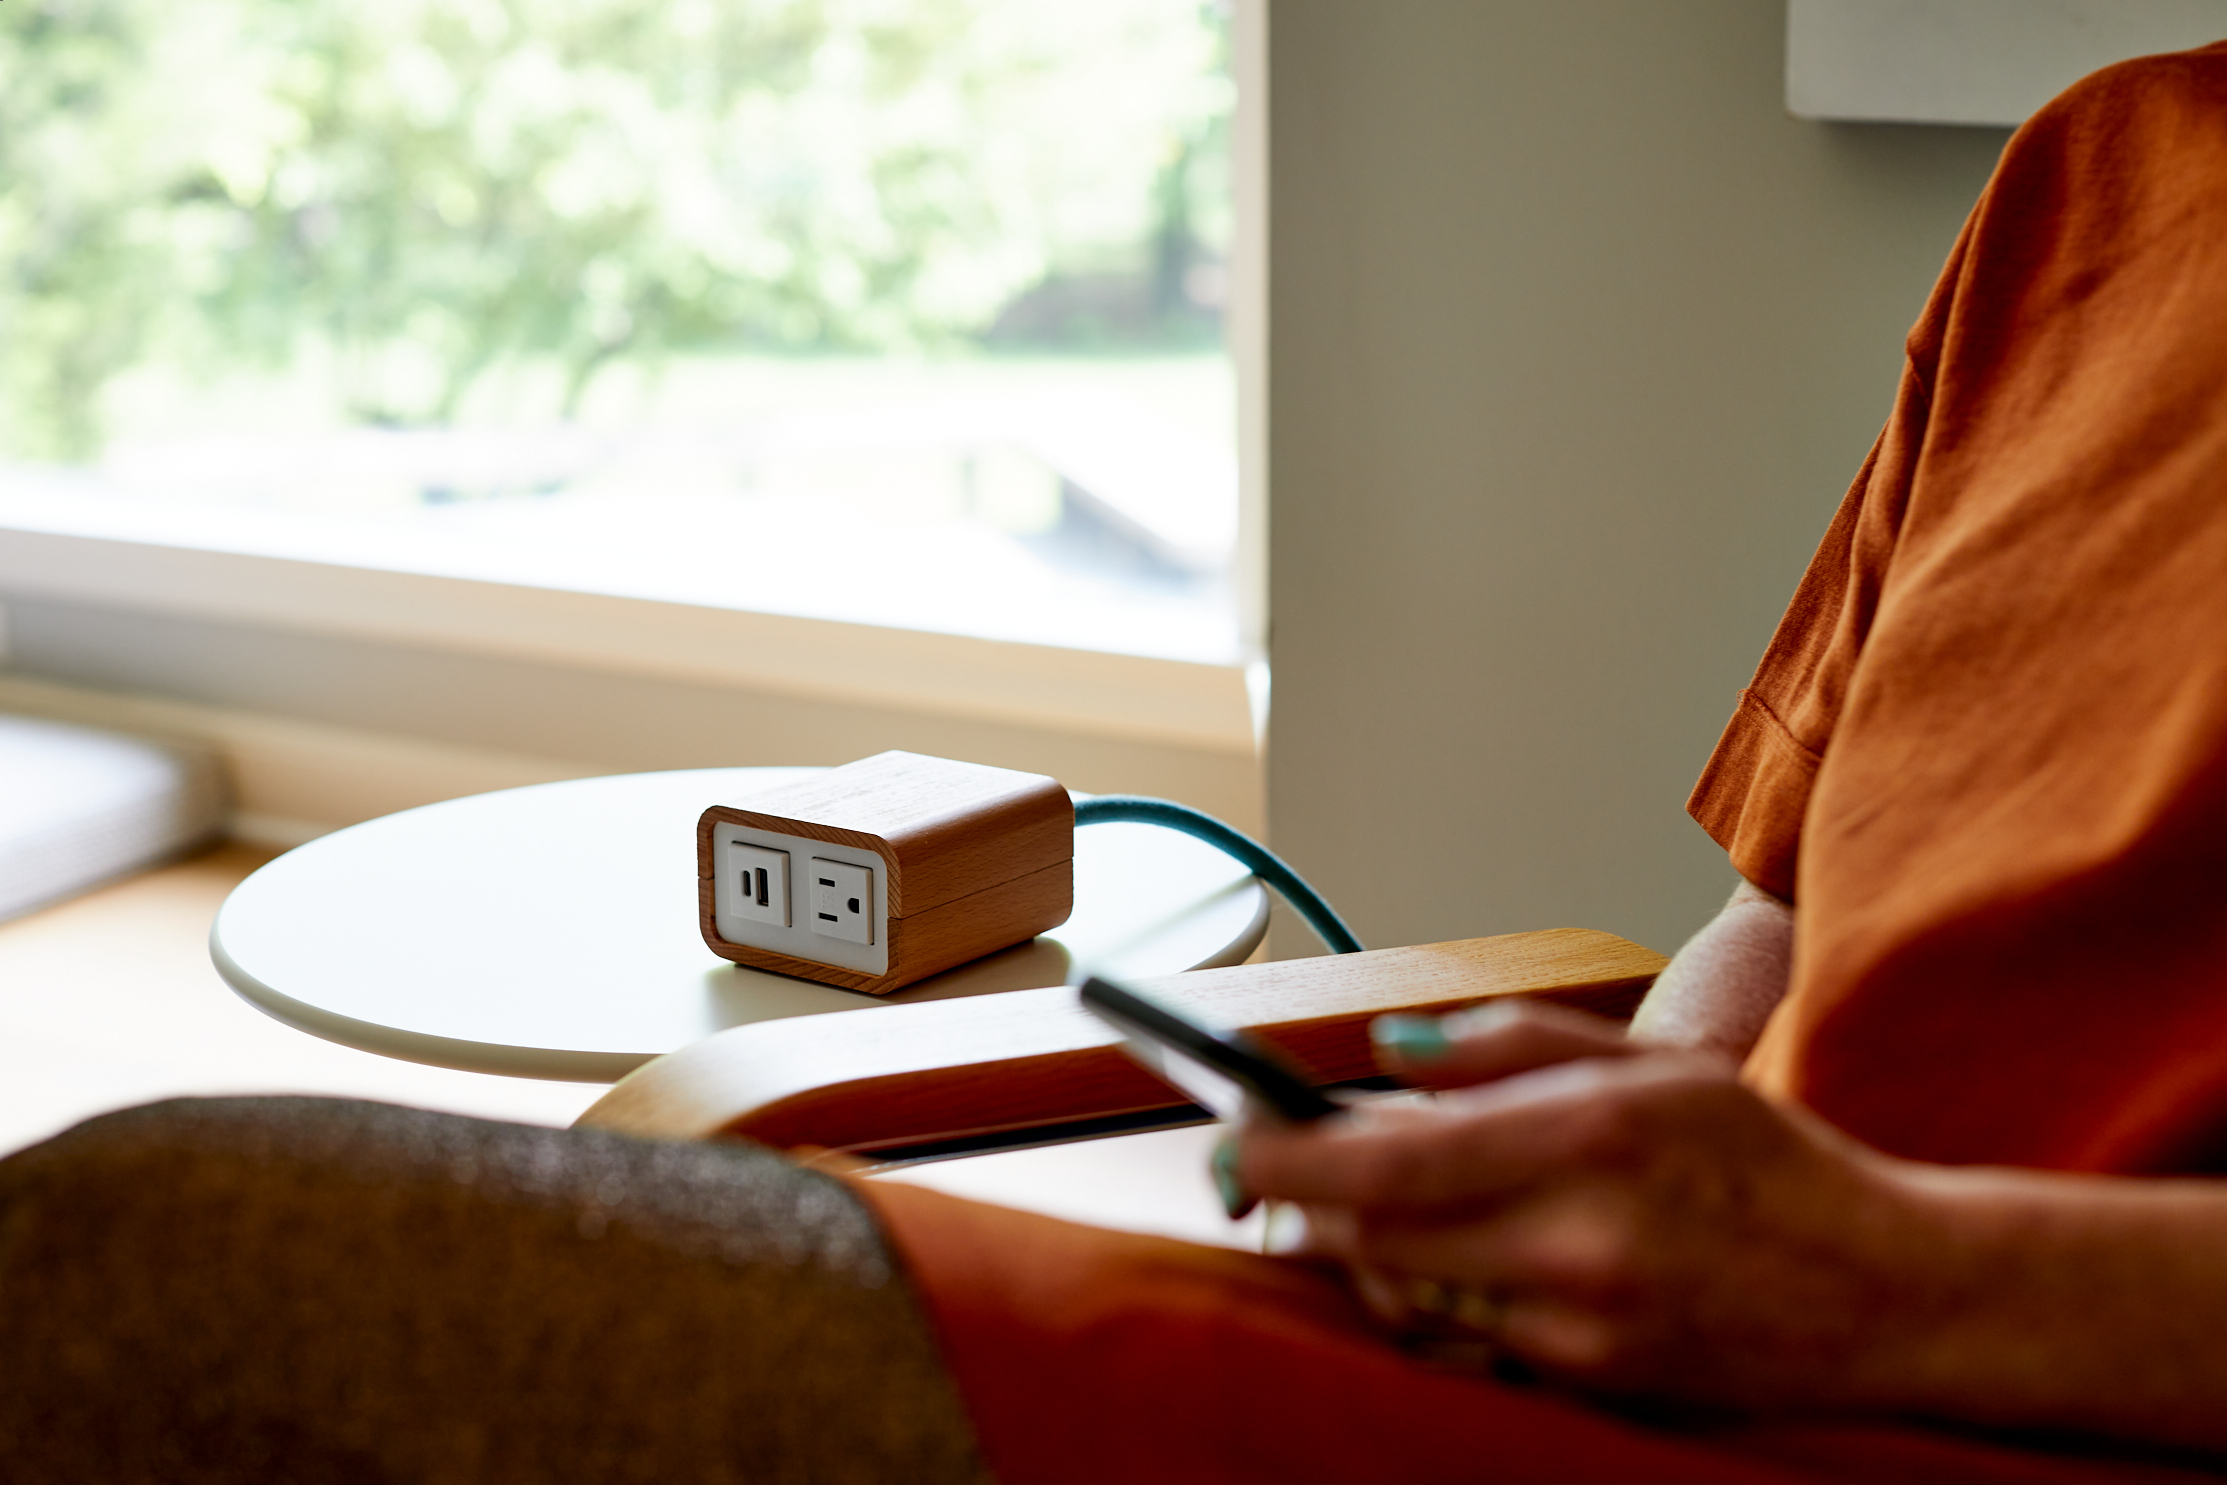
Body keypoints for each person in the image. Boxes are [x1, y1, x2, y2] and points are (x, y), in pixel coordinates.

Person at [9, 39, 2227, 1485]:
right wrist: (1583, 1159)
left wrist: (1886, 1272)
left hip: (2014, 1395)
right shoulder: (2097, 175)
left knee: (180, 1268)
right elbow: (1778, 910)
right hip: (1662, 1374)